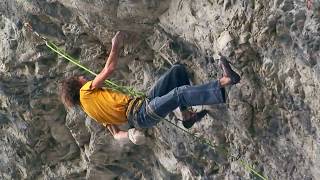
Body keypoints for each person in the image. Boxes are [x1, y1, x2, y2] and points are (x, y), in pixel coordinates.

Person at [59, 31, 240, 145]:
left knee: (177, 72)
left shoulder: (91, 111)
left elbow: (115, 134)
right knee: (179, 94)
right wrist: (116, 44)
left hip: (142, 106)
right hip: (141, 113)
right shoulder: (86, 92)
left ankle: (186, 116)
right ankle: (225, 81)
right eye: (80, 78)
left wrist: (129, 135)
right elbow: (109, 68)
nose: (83, 77)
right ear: (78, 85)